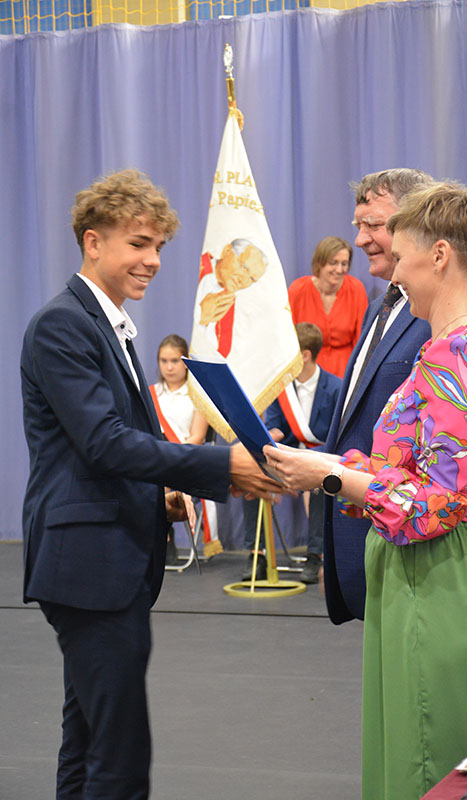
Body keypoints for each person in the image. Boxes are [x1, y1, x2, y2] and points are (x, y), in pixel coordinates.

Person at [20, 169, 282, 800]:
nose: (154, 260)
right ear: (93, 242)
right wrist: (221, 466)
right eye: (139, 243)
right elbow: (104, 442)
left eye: (159, 246)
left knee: (90, 742)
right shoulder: (63, 324)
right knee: (119, 760)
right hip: (88, 569)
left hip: (105, 564)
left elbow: (98, 454)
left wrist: (157, 496)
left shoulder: (104, 323)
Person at [265, 181, 467, 799]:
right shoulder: (449, 348)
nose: (393, 274)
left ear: (440, 255)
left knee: (426, 766)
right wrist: (328, 463)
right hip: (420, 574)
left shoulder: (463, 355)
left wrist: (327, 477)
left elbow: (434, 505)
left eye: (401, 258)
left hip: (438, 575)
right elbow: (407, 470)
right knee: (408, 754)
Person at [322, 168, 467, 729]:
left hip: (453, 559)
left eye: (378, 225)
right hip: (407, 552)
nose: (364, 239)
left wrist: (333, 478)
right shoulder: (389, 306)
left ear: (434, 247)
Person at [241, 322, 341, 583]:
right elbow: (275, 429)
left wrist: (313, 459)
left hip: (320, 459)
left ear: (305, 355)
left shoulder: (336, 388)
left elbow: (337, 438)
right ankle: (257, 554)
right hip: (286, 458)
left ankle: (315, 555)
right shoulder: (281, 389)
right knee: (250, 477)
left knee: (325, 482)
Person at [149, 334, 221, 563]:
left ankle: (163, 532)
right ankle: (160, 534)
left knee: (158, 477)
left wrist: (169, 457)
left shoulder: (197, 395)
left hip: (188, 460)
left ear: (186, 362)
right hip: (155, 461)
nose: (169, 367)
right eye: (164, 361)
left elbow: (197, 438)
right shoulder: (149, 394)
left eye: (175, 361)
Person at [288, 236, 368, 378]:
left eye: (344, 264)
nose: (339, 269)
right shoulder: (298, 290)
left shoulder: (356, 289)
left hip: (346, 373)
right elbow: (289, 337)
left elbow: (361, 340)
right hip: (306, 372)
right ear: (320, 263)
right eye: (333, 263)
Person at [194, 239, 268, 357]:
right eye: (244, 267)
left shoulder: (227, 300)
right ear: (226, 251)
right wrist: (200, 316)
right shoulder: (194, 268)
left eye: (252, 279)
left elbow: (221, 351)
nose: (243, 280)